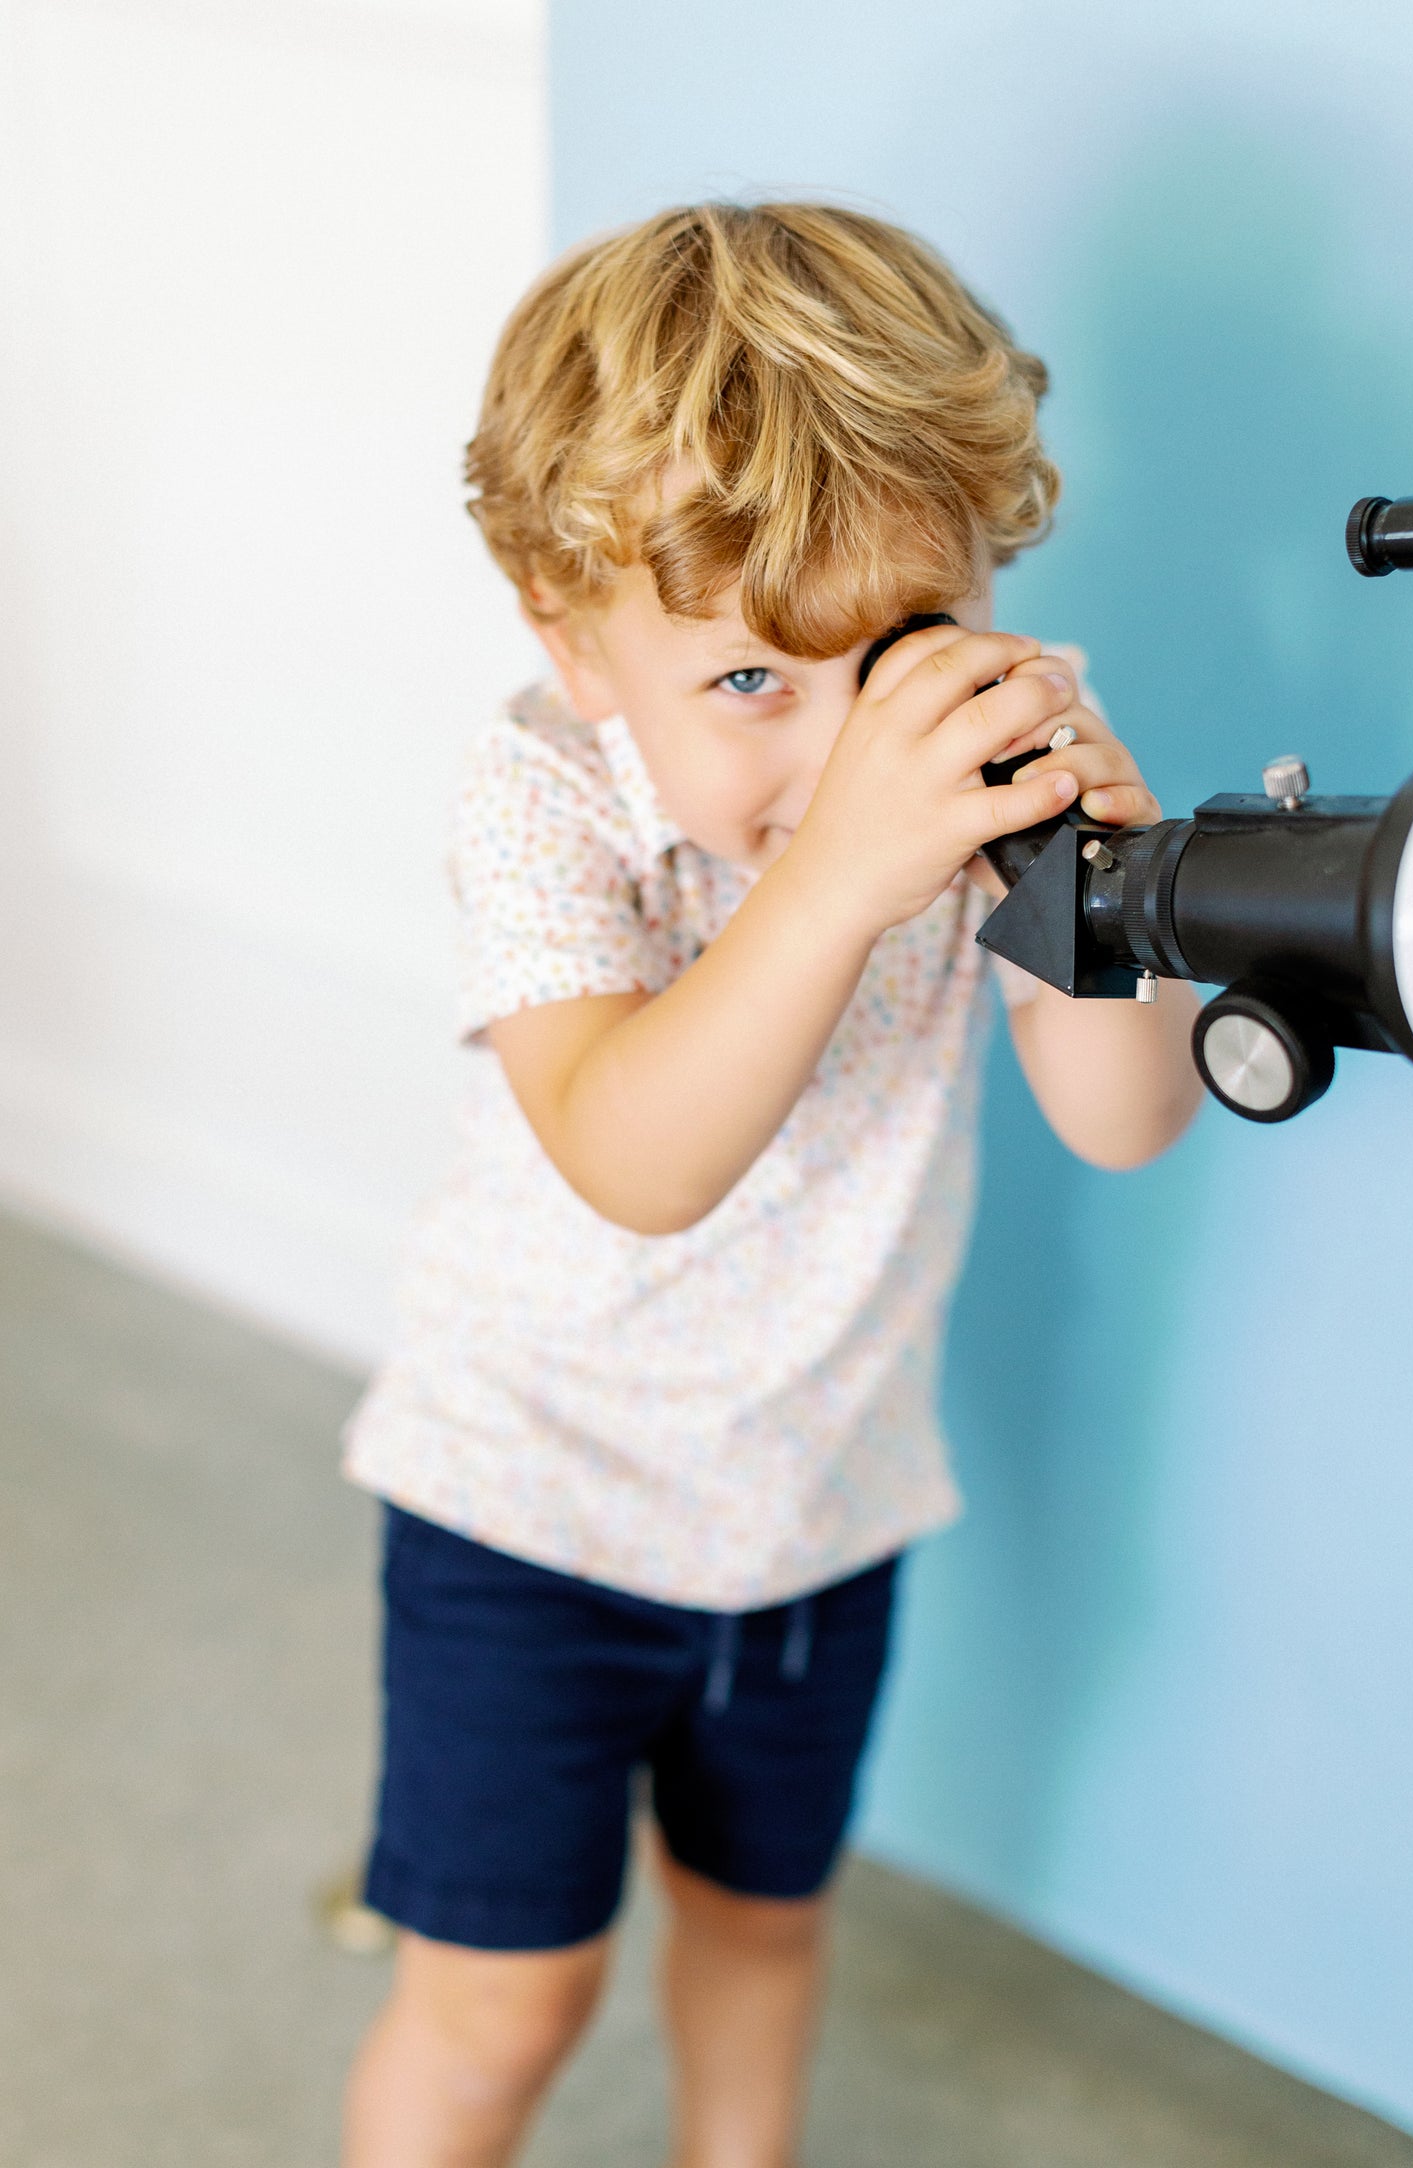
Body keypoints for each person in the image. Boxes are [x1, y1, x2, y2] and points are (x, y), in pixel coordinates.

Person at [338, 201, 1202, 2168]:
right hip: (531, 1505)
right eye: (746, 686)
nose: (832, 755)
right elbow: (639, 1154)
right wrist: (837, 879)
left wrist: (1106, 903)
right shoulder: (544, 794)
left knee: (762, 1927)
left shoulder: (992, 737)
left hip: (819, 1496)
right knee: (501, 1999)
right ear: (574, 638)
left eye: (890, 650)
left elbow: (1125, 1117)